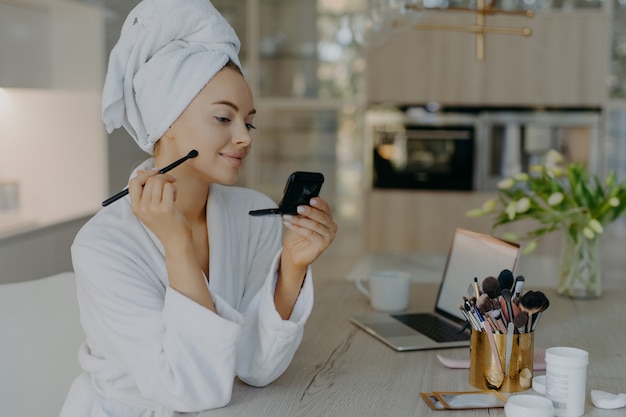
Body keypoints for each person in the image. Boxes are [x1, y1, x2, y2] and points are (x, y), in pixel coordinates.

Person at [59, 1, 337, 416]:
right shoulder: (102, 245)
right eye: (224, 118)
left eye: (249, 121)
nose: (244, 137)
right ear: (166, 121)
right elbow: (190, 390)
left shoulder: (252, 214)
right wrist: (177, 243)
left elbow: (256, 368)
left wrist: (293, 266)